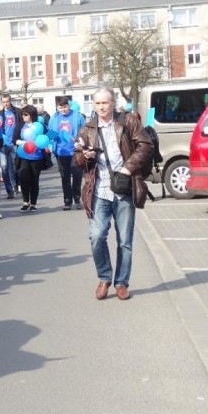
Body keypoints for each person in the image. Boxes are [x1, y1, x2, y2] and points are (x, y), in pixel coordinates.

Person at [74, 85, 153, 301]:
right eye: (97, 103)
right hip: (98, 190)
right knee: (96, 236)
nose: (101, 107)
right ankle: (104, 277)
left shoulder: (127, 121)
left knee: (125, 241)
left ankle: (121, 283)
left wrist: (128, 168)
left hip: (124, 189)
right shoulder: (86, 129)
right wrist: (85, 156)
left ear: (113, 102)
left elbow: (145, 146)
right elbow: (78, 160)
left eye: (105, 102)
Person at [49, 96, 86, 210]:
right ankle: (67, 200)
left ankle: (77, 197)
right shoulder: (54, 118)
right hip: (61, 151)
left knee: (77, 175)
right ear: (57, 107)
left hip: (75, 151)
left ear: (68, 106)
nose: (63, 109)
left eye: (65, 107)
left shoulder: (77, 116)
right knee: (65, 177)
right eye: (61, 107)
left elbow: (84, 131)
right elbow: (50, 133)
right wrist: (49, 144)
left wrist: (80, 142)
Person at [13, 105, 44, 211]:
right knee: (24, 178)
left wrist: (48, 144)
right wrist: (25, 143)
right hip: (23, 156)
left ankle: (33, 203)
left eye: (26, 114)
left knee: (34, 180)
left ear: (32, 115)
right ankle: (25, 202)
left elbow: (49, 135)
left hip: (36, 156)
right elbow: (15, 140)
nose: (23, 116)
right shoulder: (21, 125)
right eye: (22, 114)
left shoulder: (39, 125)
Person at [0, 94, 20, 199]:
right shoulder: (0, 114)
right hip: (3, 145)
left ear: (10, 101)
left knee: (15, 167)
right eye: (4, 102)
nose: (6, 104)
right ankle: (9, 191)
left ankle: (16, 185)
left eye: (7, 101)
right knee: (4, 168)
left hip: (14, 143)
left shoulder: (17, 112)